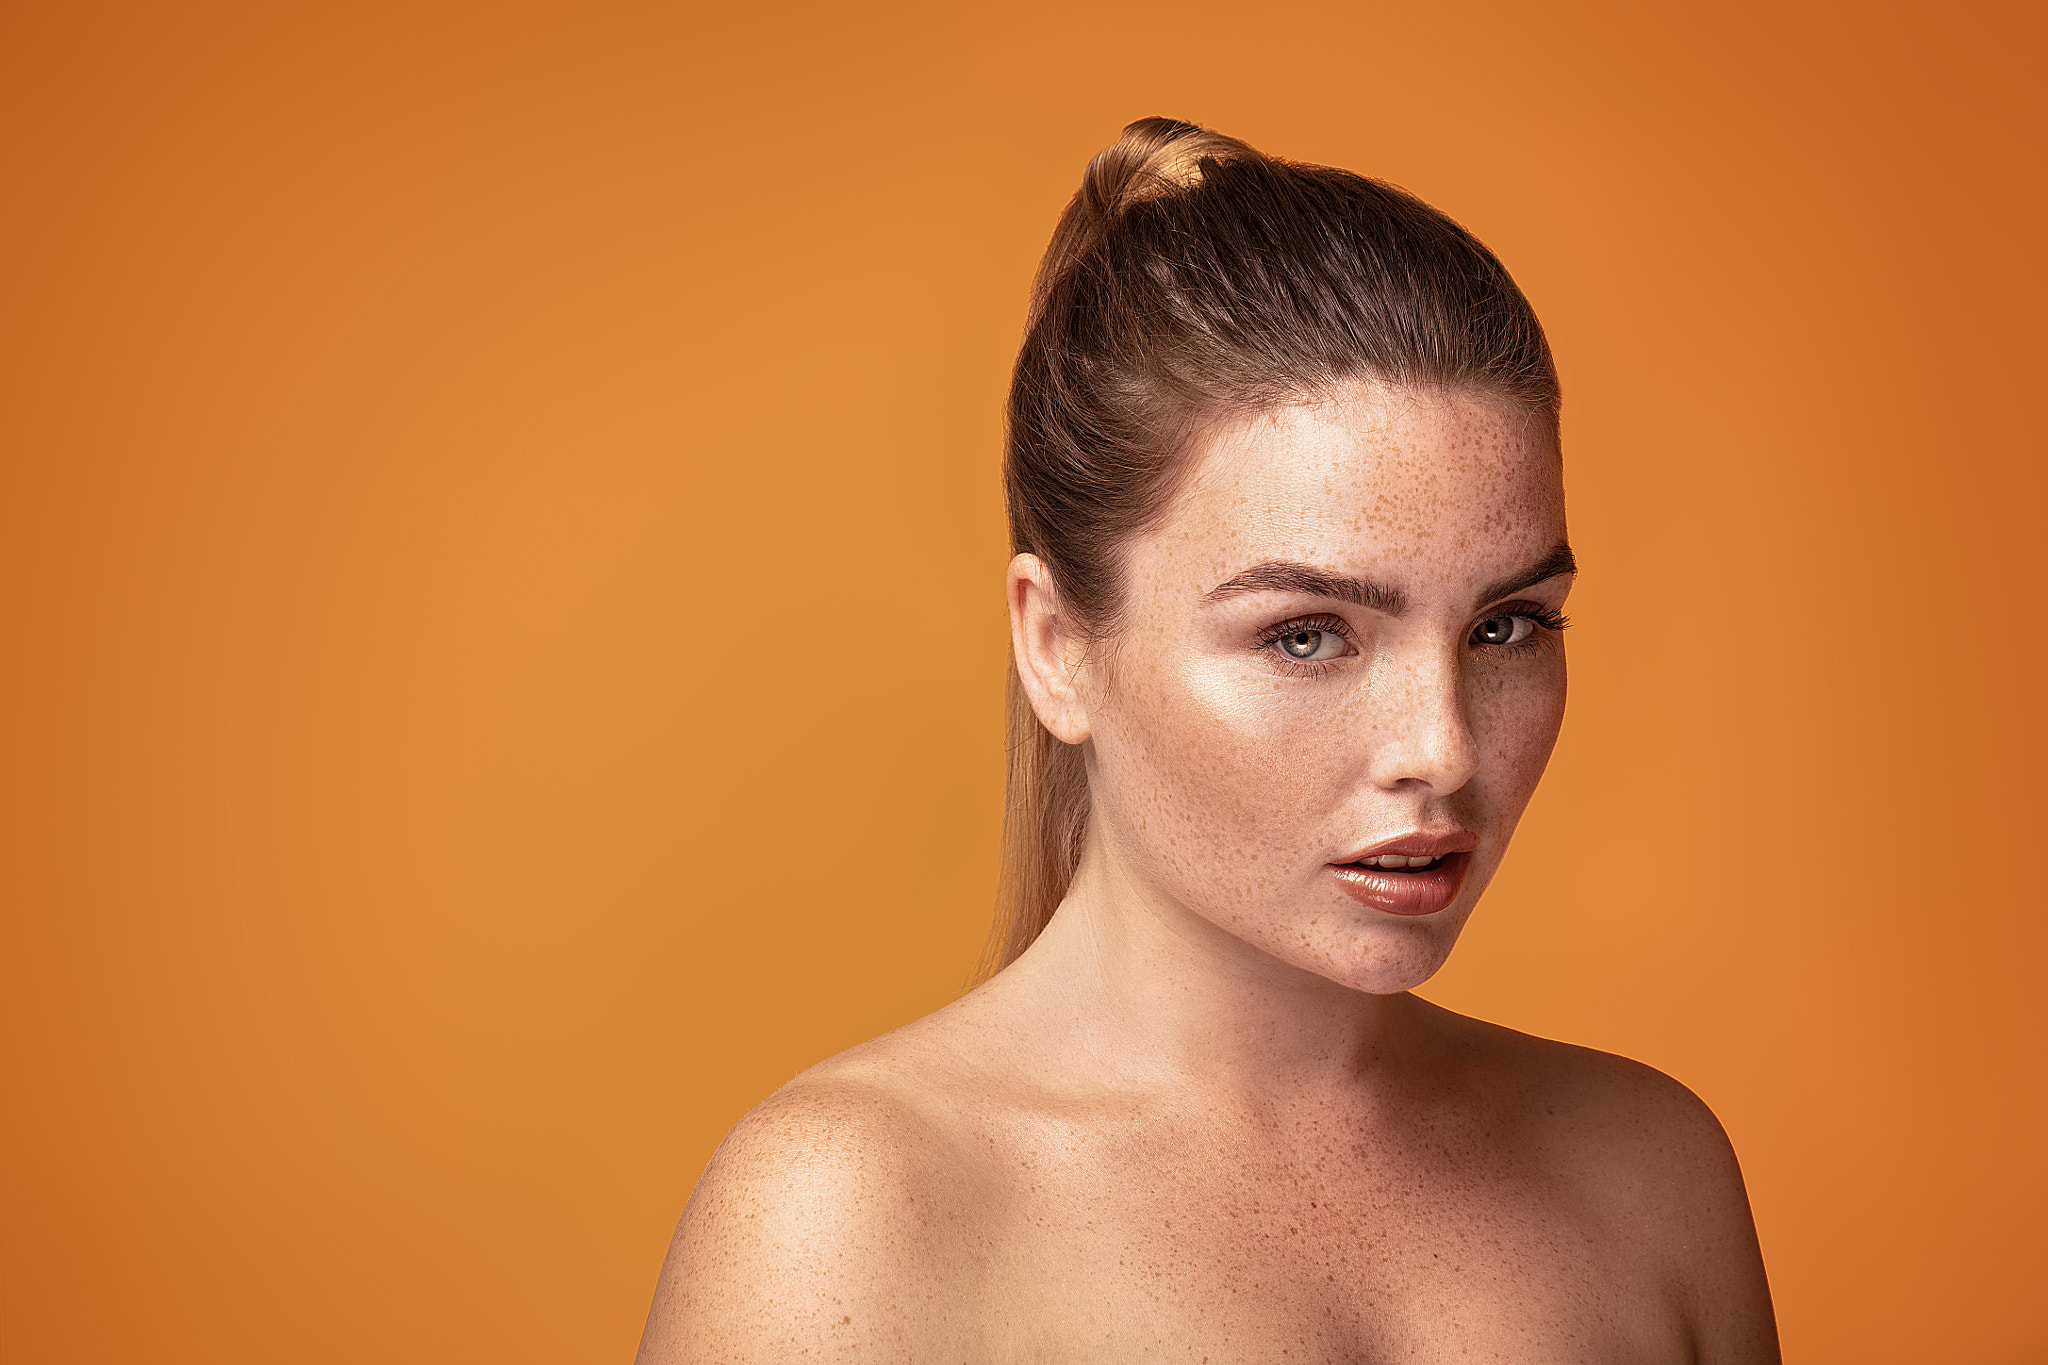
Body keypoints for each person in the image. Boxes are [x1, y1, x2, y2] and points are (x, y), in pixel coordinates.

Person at [635, 117, 1779, 1362]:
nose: (1440, 749)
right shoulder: (844, 1220)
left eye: (1504, 626)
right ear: (1058, 646)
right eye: (1304, 636)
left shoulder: (1649, 1173)